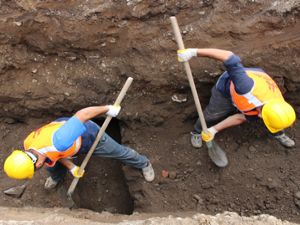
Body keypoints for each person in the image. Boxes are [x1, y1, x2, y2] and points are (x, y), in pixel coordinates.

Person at [4, 104, 155, 189]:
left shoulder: (61, 141)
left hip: (90, 136)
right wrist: (71, 167)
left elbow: (83, 114)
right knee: (52, 167)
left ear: (37, 163)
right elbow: (56, 155)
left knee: (120, 152)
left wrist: (108, 109)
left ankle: (144, 163)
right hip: (64, 133)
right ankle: (57, 178)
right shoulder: (28, 144)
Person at [177, 48, 296, 148]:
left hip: (255, 86)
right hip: (228, 88)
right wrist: (193, 52)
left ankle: (277, 131)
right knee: (212, 114)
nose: (259, 116)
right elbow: (229, 57)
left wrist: (214, 130)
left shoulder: (279, 105)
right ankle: (196, 131)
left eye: (263, 115)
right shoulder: (245, 86)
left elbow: (241, 118)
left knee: (272, 119)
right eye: (262, 114)